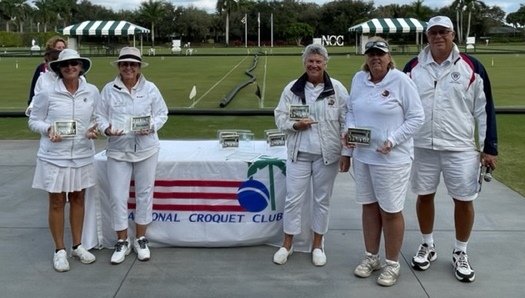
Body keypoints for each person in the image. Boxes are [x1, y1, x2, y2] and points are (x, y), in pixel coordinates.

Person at [403, 16, 498, 283]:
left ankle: (460, 251)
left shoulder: (471, 66)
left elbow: (485, 109)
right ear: (427, 36)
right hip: (422, 146)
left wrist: (489, 147)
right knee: (424, 196)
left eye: (443, 32)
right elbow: (401, 106)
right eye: (433, 32)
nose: (438, 36)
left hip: (461, 147)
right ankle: (427, 244)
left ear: (452, 34)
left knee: (464, 200)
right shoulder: (412, 67)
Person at [345, 37, 424, 286]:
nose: (375, 58)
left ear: (389, 57)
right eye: (371, 54)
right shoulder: (359, 79)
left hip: (392, 159)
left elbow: (417, 117)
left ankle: (392, 264)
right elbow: (350, 111)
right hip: (363, 156)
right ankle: (372, 257)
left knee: (390, 210)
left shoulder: (401, 81)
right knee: (368, 206)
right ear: (365, 58)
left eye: (380, 54)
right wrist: (348, 132)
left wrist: (393, 140)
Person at [273, 44, 351, 267]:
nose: (314, 65)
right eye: (310, 61)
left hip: (327, 155)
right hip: (299, 153)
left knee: (321, 200)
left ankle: (318, 244)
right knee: (292, 199)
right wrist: (295, 124)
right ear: (304, 63)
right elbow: (279, 117)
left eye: (318, 61)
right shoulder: (291, 89)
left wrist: (346, 152)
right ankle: (287, 244)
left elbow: (346, 121)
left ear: (325, 63)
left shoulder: (337, 89)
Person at [28, 49, 100, 272]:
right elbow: (34, 121)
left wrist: (92, 130)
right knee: (57, 201)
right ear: (59, 68)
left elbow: (96, 118)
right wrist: (48, 128)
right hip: (54, 156)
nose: (70, 68)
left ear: (80, 66)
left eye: (74, 64)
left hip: (82, 153)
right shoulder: (47, 92)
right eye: (65, 65)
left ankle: (77, 246)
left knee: (78, 197)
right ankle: (59, 250)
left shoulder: (92, 91)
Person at [95, 47, 168, 265]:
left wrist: (152, 127)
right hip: (118, 150)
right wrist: (107, 129)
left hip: (146, 148)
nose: (128, 67)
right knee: (118, 196)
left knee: (144, 194)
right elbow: (99, 117)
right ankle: (122, 241)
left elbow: (162, 113)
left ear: (138, 67)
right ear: (119, 66)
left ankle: (141, 238)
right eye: (124, 64)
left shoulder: (151, 88)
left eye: (132, 64)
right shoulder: (108, 89)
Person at [26, 36, 67, 116]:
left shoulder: (72, 69)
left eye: (63, 47)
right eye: (59, 48)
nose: (62, 50)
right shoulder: (41, 69)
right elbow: (35, 91)